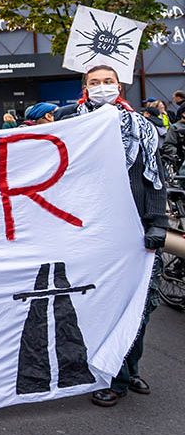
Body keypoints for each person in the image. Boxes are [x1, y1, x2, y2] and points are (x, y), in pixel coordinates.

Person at [57, 66, 167, 407]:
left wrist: (158, 222)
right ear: (84, 87)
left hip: (135, 228)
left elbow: (154, 177)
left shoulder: (141, 128)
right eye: (94, 82)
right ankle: (114, 376)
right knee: (104, 304)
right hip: (91, 231)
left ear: (119, 86)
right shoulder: (69, 124)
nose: (102, 87)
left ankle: (130, 365)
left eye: (108, 82)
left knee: (140, 306)